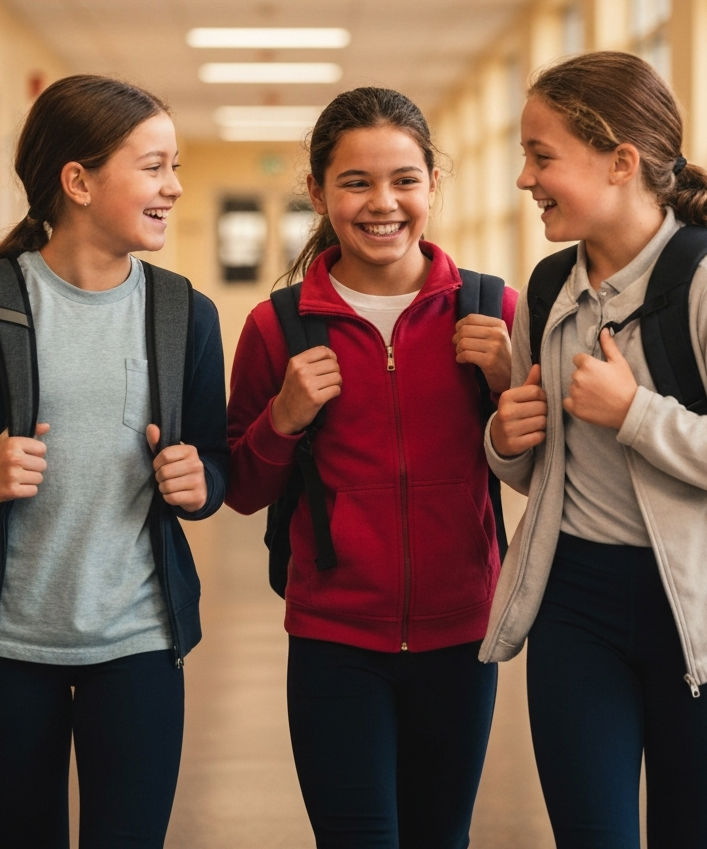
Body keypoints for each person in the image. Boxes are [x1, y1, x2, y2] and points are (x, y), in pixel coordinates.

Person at [0, 75, 229, 849]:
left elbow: (213, 461)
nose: (175, 188)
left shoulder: (184, 314)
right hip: (6, 647)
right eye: (154, 167)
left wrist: (201, 485)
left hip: (140, 644)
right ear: (79, 180)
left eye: (177, 167)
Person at [481, 51, 707, 849]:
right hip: (575, 608)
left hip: (702, 614)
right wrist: (503, 439)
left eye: (541, 155)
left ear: (621, 162)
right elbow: (536, 470)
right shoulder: (550, 283)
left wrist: (635, 414)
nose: (525, 179)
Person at [226, 87, 516, 848]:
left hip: (461, 637)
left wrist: (508, 384)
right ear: (319, 192)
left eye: (404, 180)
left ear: (432, 185)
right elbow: (243, 492)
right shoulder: (276, 327)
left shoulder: (492, 311)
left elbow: (543, 471)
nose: (382, 203)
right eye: (356, 182)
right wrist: (282, 420)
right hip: (333, 642)